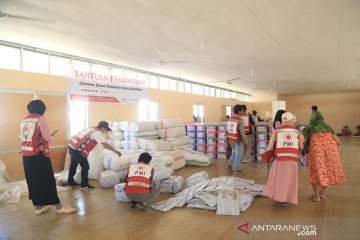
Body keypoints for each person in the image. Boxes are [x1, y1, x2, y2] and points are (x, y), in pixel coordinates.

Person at [19, 100, 76, 215]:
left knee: (33, 181)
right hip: (39, 156)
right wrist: (51, 137)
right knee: (48, 180)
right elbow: (46, 138)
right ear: (42, 108)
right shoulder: (41, 118)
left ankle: (38, 207)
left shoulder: (25, 120)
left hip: (26, 156)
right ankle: (59, 208)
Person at [263, 112, 304, 206]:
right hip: (293, 159)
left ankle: (277, 197)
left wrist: (267, 157)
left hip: (279, 159)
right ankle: (285, 199)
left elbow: (270, 146)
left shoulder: (277, 131)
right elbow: (301, 146)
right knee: (289, 180)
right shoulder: (297, 132)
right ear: (292, 120)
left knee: (278, 178)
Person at [303, 111, 345, 202]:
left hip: (317, 152)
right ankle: (322, 193)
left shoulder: (310, 127)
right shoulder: (328, 127)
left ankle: (316, 196)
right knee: (326, 172)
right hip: (331, 152)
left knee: (315, 173)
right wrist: (329, 149)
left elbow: (303, 141)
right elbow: (338, 142)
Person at [68, 121, 122, 189]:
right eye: (105, 130)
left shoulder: (91, 128)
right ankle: (84, 185)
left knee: (73, 164)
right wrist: (116, 151)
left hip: (71, 145)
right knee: (85, 166)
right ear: (103, 128)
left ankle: (70, 182)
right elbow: (105, 144)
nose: (105, 132)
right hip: (77, 149)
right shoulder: (97, 133)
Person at [226, 104, 247, 174]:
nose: (242, 112)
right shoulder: (240, 120)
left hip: (231, 139)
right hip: (237, 140)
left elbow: (228, 129)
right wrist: (245, 140)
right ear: (239, 111)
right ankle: (237, 169)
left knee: (234, 153)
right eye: (242, 110)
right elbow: (242, 132)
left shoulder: (230, 119)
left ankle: (229, 165)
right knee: (238, 154)